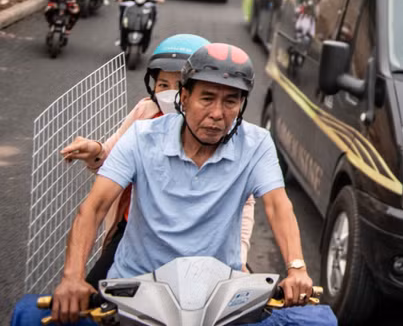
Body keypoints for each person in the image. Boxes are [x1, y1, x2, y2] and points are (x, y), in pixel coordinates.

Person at [40, 42, 317, 324]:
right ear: (183, 98)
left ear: (242, 104)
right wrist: (72, 277)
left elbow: (278, 206)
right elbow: (95, 207)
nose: (218, 113)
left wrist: (296, 269)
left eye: (231, 101)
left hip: (219, 293)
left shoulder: (256, 144)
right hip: (134, 289)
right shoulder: (141, 137)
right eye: (206, 98)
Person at [56, 35, 256, 284]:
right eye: (162, 84)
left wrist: (240, 253)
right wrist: (94, 150)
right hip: (134, 232)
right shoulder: (144, 114)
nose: (170, 93)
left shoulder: (225, 132)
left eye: (178, 83)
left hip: (202, 242)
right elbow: (111, 159)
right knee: (92, 299)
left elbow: (243, 204)